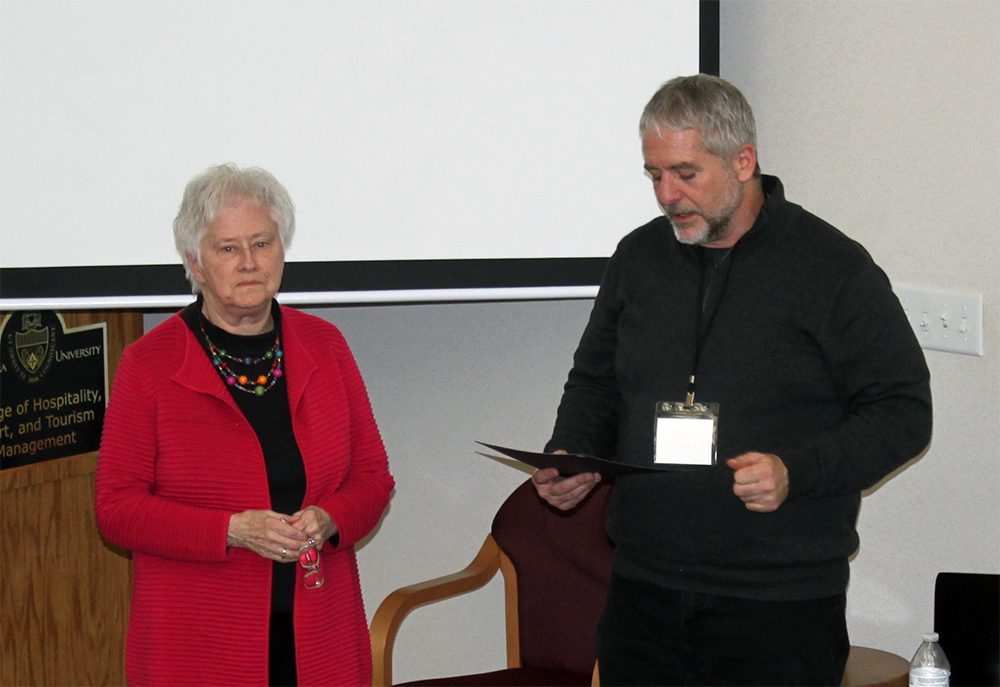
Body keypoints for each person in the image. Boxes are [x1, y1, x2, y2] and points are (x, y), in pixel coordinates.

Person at [532, 75, 932, 686]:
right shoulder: (637, 258)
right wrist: (572, 454)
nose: (668, 194)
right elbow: (595, 383)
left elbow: (903, 411)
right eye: (654, 174)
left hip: (777, 602)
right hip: (644, 588)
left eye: (686, 173)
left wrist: (796, 470)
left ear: (744, 160)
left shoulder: (831, 267)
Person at [96, 164, 394, 686]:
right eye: (228, 248)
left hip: (319, 636)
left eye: (262, 243)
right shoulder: (148, 364)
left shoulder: (326, 345)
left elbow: (373, 476)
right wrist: (232, 530)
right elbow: (117, 509)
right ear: (195, 262)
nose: (250, 262)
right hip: (197, 644)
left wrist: (329, 518)